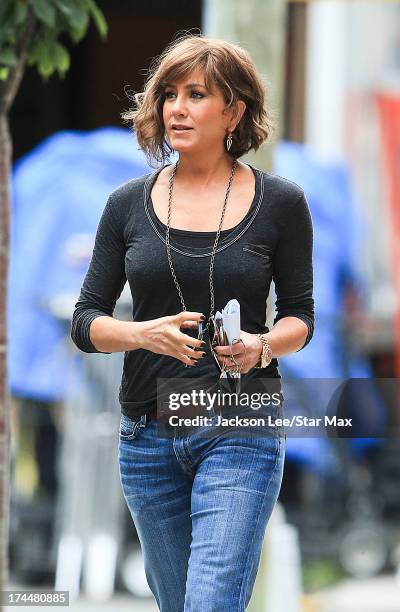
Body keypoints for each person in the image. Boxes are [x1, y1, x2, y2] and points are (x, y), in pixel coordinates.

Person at [71, 33, 314, 612]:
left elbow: (302, 318)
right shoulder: (126, 204)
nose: (177, 108)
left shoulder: (281, 202)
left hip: (240, 429)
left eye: (197, 94)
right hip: (147, 436)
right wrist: (141, 333)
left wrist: (260, 346)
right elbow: (85, 322)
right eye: (169, 95)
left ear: (235, 111)